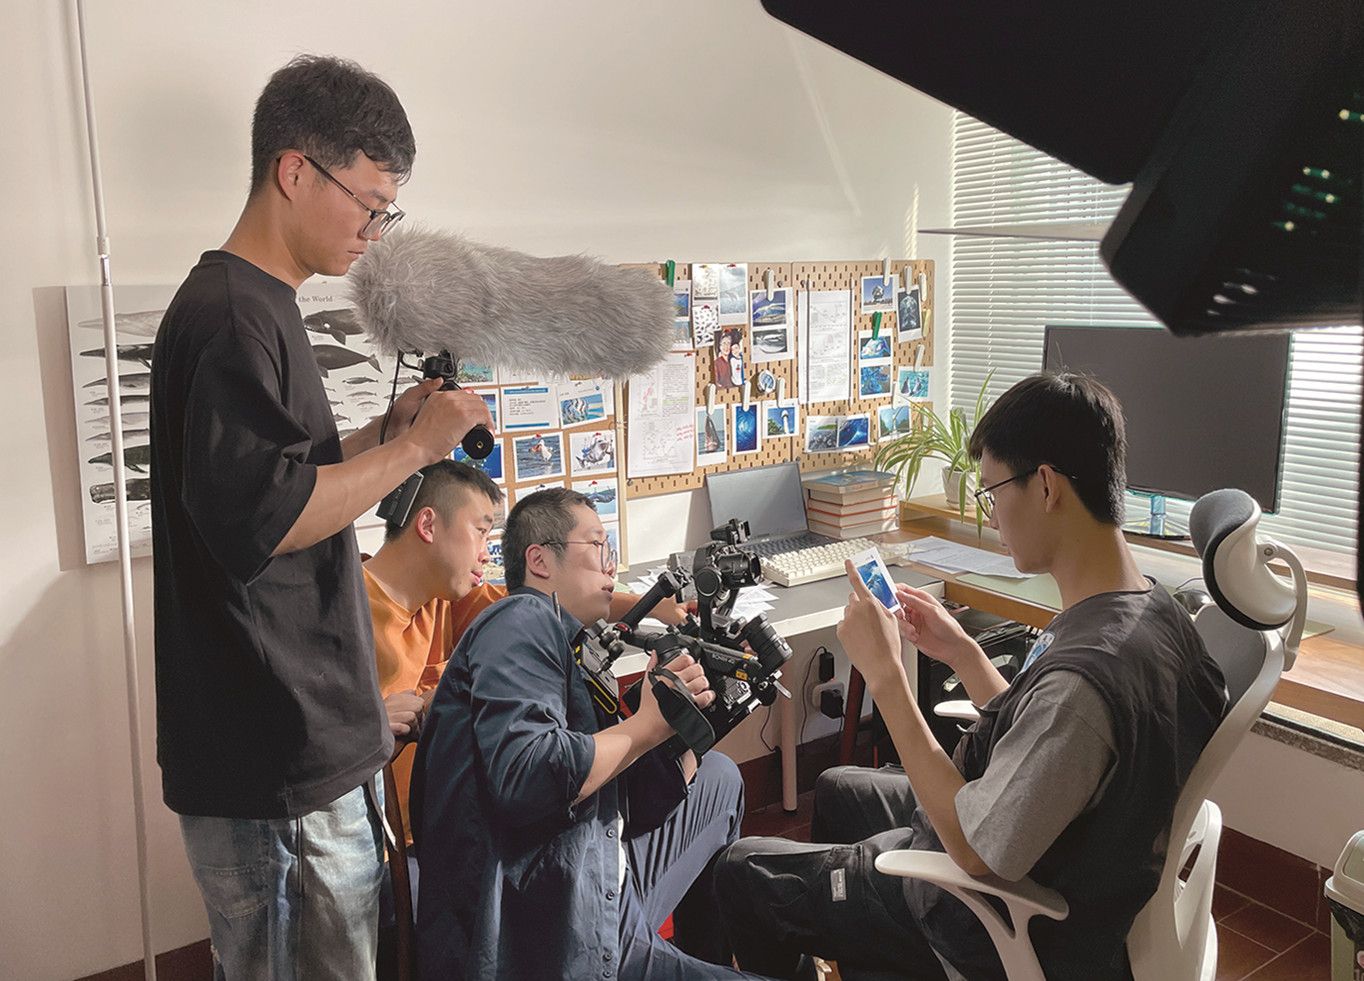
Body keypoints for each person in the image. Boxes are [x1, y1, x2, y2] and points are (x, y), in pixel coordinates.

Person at [149, 55, 493, 980]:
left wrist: (392, 429)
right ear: (294, 171)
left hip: (294, 743)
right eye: (369, 204)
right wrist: (417, 453)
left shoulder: (259, 307)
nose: (374, 234)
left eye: (388, 213)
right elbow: (271, 516)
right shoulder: (231, 317)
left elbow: (283, 475)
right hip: (274, 753)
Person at [715, 373, 1228, 980]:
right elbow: (1052, 741)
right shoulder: (1153, 610)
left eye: (992, 491)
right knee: (836, 788)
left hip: (991, 916)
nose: (992, 514)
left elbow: (973, 847)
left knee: (744, 871)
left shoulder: (1085, 684)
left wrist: (886, 677)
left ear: (1045, 486)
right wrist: (963, 654)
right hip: (1039, 841)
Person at [410, 488, 752, 980]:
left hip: (596, 900)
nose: (611, 566)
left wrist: (687, 726)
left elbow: (633, 807)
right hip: (544, 943)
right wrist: (645, 726)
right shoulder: (520, 618)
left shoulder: (571, 645)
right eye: (597, 546)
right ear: (539, 561)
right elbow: (526, 774)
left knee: (718, 777)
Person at [366, 461, 690, 840]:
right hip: (398, 845)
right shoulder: (341, 617)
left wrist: (656, 606)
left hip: (458, 824)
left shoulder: (445, 599)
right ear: (427, 525)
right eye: (480, 532)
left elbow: (548, 594)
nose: (486, 555)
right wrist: (367, 728)